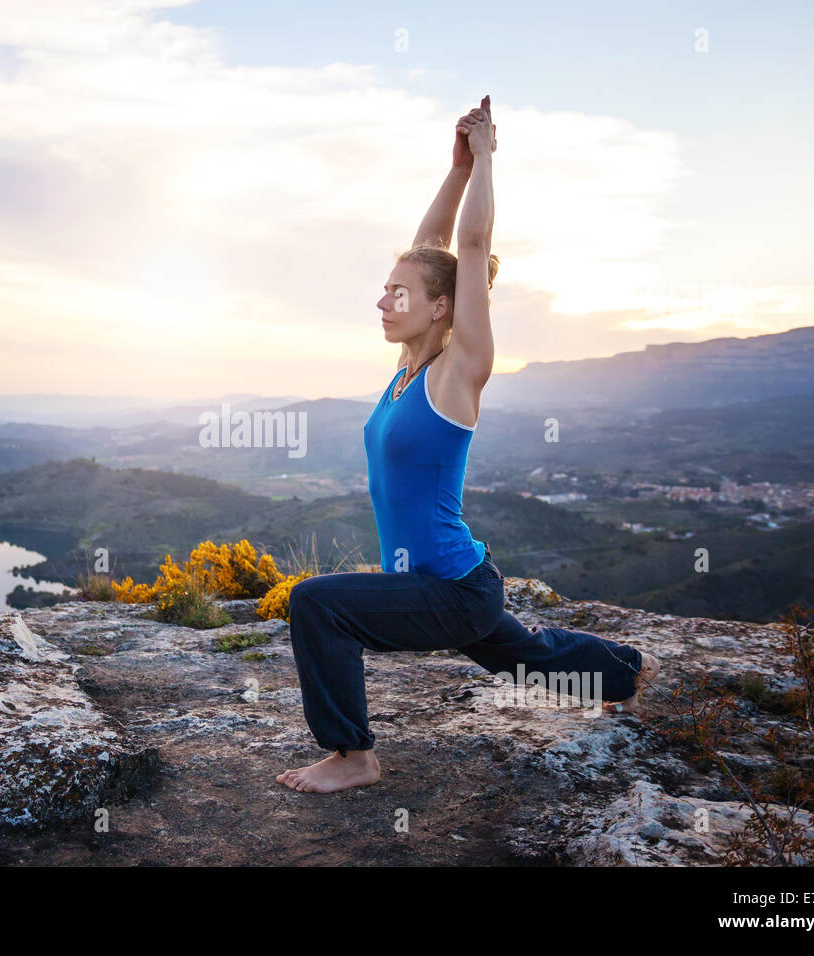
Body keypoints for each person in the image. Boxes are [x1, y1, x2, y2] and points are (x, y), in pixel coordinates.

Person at [276, 95, 661, 794]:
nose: (383, 301)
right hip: (452, 584)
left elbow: (469, 250)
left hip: (449, 589)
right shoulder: (407, 369)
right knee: (531, 661)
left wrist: (486, 157)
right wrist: (452, 171)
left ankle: (353, 756)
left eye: (397, 294)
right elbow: (430, 251)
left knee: (315, 603)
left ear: (442, 306)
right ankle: (633, 672)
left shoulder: (459, 371)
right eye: (385, 290)